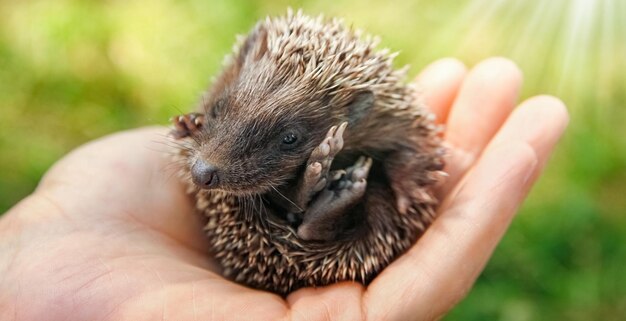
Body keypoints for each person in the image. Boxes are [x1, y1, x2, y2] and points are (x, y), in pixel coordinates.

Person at [0, 58, 568, 321]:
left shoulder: (385, 133)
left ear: (358, 116)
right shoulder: (236, 106)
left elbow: (400, 195)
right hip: (268, 222)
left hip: (344, 228)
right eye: (224, 114)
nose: (206, 169)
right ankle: (305, 203)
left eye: (290, 135)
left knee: (378, 206)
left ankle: (318, 215)